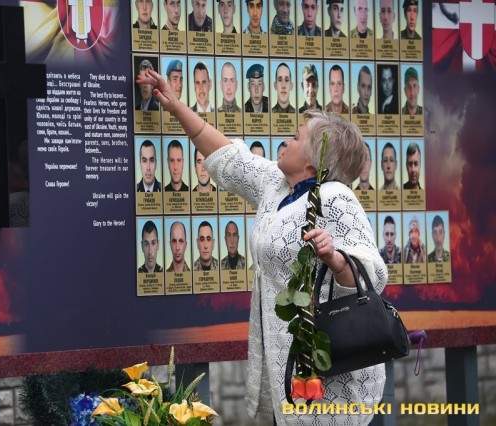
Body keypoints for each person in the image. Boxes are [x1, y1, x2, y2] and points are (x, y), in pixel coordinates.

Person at [137, 68, 388, 423]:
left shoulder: (335, 197)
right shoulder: (276, 185)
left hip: (327, 369)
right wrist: (174, 104)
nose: (284, 142)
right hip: (282, 359)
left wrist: (335, 258)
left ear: (314, 160)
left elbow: (372, 274)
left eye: (294, 137)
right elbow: (227, 157)